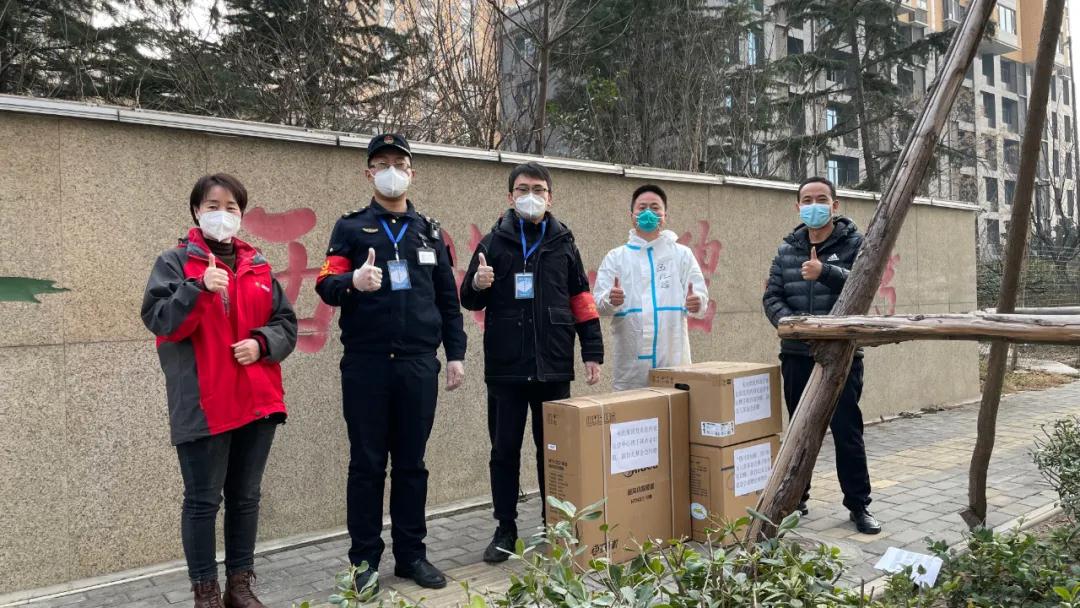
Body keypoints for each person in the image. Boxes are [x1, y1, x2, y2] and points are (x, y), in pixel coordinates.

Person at [315, 134, 467, 592]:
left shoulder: (430, 231)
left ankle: (411, 556)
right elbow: (325, 284)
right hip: (367, 365)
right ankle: (363, 563)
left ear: (412, 172)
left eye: (399, 163)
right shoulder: (350, 228)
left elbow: (448, 301)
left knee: (411, 465)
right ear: (369, 174)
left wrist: (456, 355)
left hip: (418, 365)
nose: (391, 171)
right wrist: (352, 281)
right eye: (381, 164)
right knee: (366, 466)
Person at [141, 173, 298, 608]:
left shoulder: (258, 264)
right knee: (202, 501)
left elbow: (286, 322)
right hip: (203, 404)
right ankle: (205, 592)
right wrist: (197, 289)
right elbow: (159, 319)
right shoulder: (175, 263)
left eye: (232, 207)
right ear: (196, 211)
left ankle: (239, 586)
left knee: (245, 499)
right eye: (213, 206)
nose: (223, 215)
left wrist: (261, 343)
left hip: (256, 401)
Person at [460, 161, 604, 563]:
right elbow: (468, 298)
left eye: (538, 190)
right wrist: (477, 284)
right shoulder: (492, 242)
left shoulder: (564, 242)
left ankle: (552, 524)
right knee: (503, 451)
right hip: (506, 368)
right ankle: (505, 528)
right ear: (510, 197)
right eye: (523, 189)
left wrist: (592, 351)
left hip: (552, 366)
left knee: (553, 452)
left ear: (550, 197)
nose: (531, 196)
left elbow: (581, 298)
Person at [762, 176, 881, 535]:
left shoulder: (855, 244)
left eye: (821, 199)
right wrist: (795, 326)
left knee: (847, 432)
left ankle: (858, 505)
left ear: (835, 205)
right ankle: (795, 498)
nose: (814, 205)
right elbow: (772, 297)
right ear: (798, 206)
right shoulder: (787, 249)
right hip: (797, 354)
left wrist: (824, 271)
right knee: (800, 431)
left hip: (842, 355)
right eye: (807, 200)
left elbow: (865, 282)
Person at [592, 184, 709, 390]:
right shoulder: (616, 257)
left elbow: (700, 298)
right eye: (642, 207)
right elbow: (598, 305)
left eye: (655, 208)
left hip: (673, 359)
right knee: (631, 409)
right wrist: (611, 300)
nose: (648, 213)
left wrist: (696, 302)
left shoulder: (681, 255)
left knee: (675, 407)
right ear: (632, 215)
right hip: (631, 365)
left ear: (664, 216)